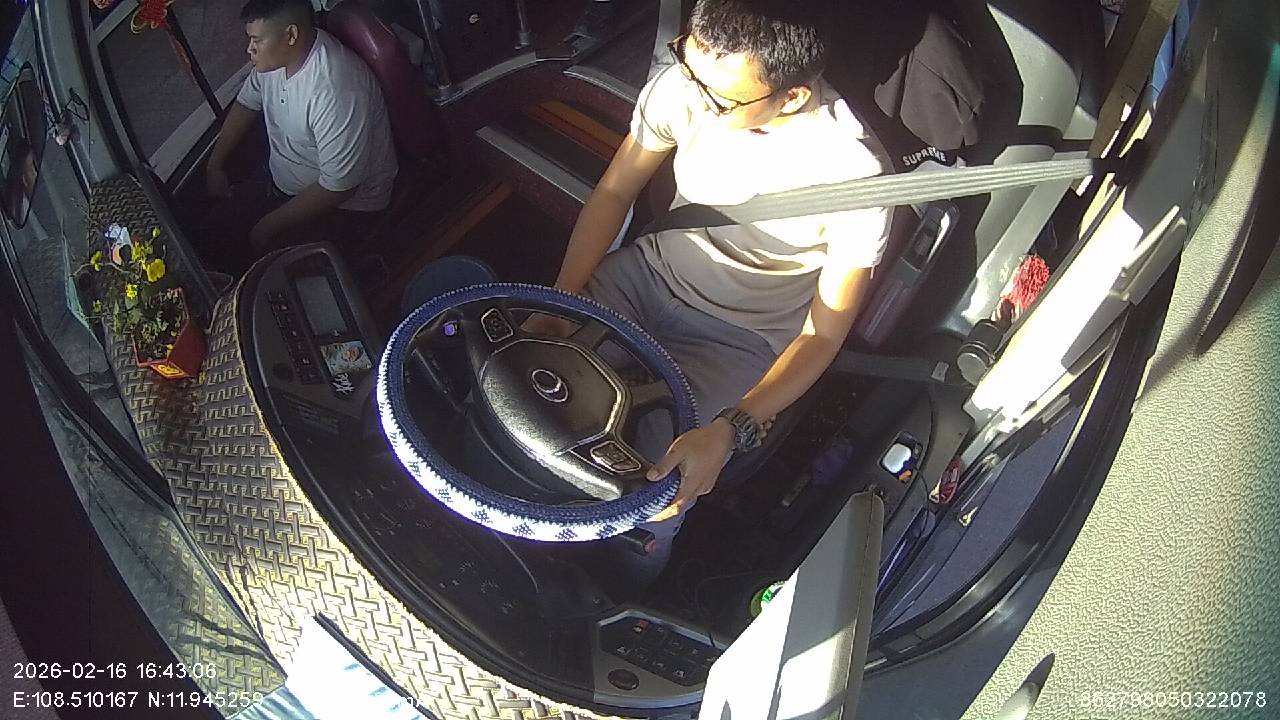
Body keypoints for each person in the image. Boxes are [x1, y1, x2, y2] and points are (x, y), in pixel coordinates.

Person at [548, 0, 889, 584]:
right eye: (688, 62)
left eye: (721, 99)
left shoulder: (854, 174)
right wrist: (560, 300)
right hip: (645, 276)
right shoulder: (688, 84)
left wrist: (732, 427)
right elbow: (614, 193)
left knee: (658, 479)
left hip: (741, 337)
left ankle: (622, 577)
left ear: (792, 97)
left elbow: (823, 332)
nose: (695, 96)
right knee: (538, 371)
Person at [206, 0, 398, 261]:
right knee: (214, 231)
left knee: (254, 263)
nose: (249, 48)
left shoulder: (333, 89)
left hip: (347, 207)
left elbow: (340, 187)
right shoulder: (273, 62)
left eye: (257, 40)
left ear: (291, 35)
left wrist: (268, 226)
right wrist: (215, 165)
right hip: (283, 177)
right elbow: (246, 103)